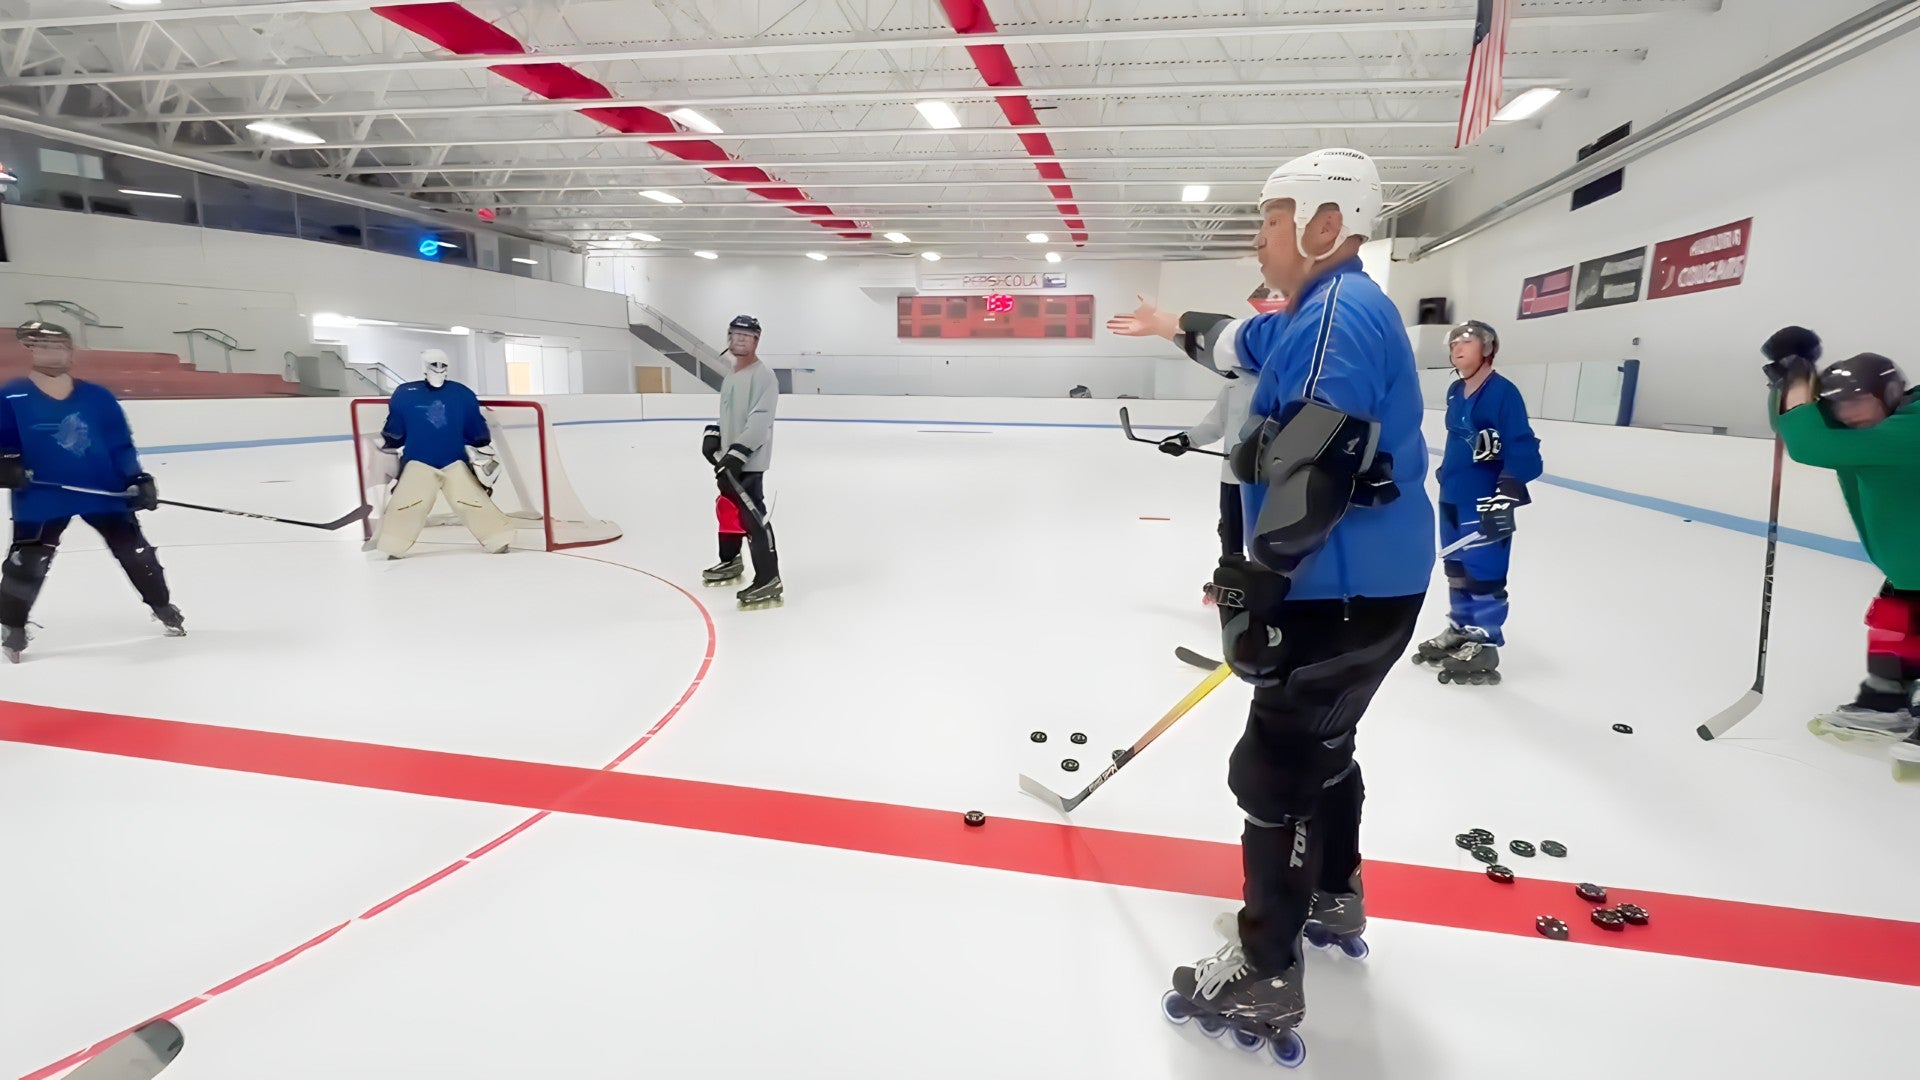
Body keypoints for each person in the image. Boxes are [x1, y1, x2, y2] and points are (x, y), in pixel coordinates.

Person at [1106, 147, 1433, 1059]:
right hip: (1364, 587)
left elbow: (1318, 454)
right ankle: (1332, 893)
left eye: (1272, 218)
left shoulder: (1339, 314)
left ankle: (1266, 973)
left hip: (1336, 589)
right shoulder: (1305, 315)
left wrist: (1263, 580)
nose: (1258, 235)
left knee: (1274, 771)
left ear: (1327, 224)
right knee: (1325, 750)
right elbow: (1233, 342)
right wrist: (1170, 323)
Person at [1763, 328, 1920, 765]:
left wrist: (1799, 382)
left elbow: (1809, 443)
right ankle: (1885, 701)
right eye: (1837, 404)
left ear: (1889, 394)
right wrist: (1789, 380)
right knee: (1895, 625)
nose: (1845, 413)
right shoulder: (1877, 421)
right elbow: (1790, 425)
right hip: (1909, 566)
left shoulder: (1913, 428)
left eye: (1856, 401)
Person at [0, 320, 183, 662]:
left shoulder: (98, 397)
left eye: (59, 346)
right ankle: (12, 626)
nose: (52, 353)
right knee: (28, 560)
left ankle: (162, 606)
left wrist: (136, 478)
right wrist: (7, 460)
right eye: (43, 346)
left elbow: (119, 443)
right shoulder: (11, 395)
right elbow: (4, 437)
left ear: (70, 352)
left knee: (136, 552)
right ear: (30, 350)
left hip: (103, 489)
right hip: (42, 494)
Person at [1410, 319, 1543, 684]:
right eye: (1453, 342)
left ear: (1487, 349)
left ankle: (1484, 641)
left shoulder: (1503, 392)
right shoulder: (1456, 391)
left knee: (1485, 571)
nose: (1457, 347)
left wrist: (1508, 490)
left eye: (1466, 342)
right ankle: (1461, 628)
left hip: (1489, 498)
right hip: (1454, 495)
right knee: (1457, 569)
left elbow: (1522, 444)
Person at [369, 349, 513, 557]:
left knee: (467, 501)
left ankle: (497, 538)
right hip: (425, 460)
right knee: (410, 504)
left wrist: (390, 440)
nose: (438, 369)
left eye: (441, 365)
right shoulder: (456, 393)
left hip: (445, 460)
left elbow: (395, 432)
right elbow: (477, 432)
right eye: (434, 365)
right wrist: (480, 442)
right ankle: (394, 543)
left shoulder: (415, 393)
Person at [701, 315, 781, 608]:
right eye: (734, 335)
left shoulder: (764, 376)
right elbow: (728, 416)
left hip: (748, 461)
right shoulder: (732, 376)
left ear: (756, 340)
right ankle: (731, 560)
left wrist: (737, 454)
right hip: (728, 459)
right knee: (727, 511)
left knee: (753, 518)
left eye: (745, 336)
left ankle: (769, 578)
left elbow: (760, 421)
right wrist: (714, 435)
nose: (739, 340)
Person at [1158, 368, 1259, 568]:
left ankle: (1269, 579)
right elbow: (1214, 426)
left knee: (1263, 537)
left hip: (1266, 478)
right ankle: (1230, 578)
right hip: (1232, 476)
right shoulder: (1232, 388)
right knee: (1230, 536)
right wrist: (1186, 440)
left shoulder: (1276, 384)